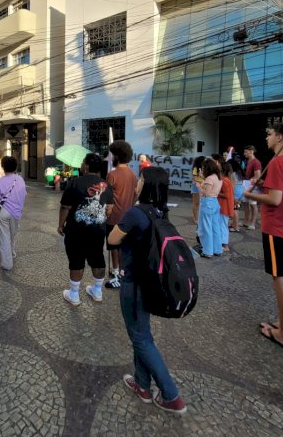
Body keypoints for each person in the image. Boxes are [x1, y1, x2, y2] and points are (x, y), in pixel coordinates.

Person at [107, 166, 188, 415]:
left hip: (134, 283)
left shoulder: (134, 213)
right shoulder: (161, 212)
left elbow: (111, 239)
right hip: (154, 283)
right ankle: (142, 385)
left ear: (148, 184)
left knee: (142, 339)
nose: (137, 182)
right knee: (140, 334)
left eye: (140, 179)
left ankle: (171, 395)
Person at [244, 121, 283, 351]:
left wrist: (250, 194)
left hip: (277, 229)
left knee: (281, 279)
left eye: (270, 134)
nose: (267, 138)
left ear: (280, 137)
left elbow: (276, 199)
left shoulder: (279, 163)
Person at [57, 153, 113, 306]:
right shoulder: (106, 184)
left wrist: (61, 225)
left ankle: (74, 294)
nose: (81, 165)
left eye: (83, 162)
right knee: (97, 258)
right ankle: (97, 291)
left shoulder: (75, 183)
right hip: (97, 230)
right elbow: (109, 208)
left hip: (76, 231)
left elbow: (65, 207)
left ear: (87, 166)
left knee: (76, 259)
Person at [105, 140, 138, 290]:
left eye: (112, 155)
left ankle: (115, 271)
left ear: (117, 155)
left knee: (113, 246)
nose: (110, 158)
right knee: (124, 246)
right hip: (128, 217)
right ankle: (123, 271)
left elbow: (109, 198)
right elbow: (136, 194)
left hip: (114, 217)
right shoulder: (132, 174)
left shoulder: (112, 174)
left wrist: (107, 214)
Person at [0, 156, 27, 271]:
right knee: (12, 235)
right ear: (15, 167)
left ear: (3, 167)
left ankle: (7, 264)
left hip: (3, 212)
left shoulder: (0, 181)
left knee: (4, 237)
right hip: (16, 213)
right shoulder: (20, 179)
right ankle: (11, 253)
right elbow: (23, 195)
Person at [195, 158, 223, 258]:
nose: (202, 169)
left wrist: (199, 186)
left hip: (207, 203)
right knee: (215, 227)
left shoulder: (209, 178)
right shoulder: (218, 177)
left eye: (203, 167)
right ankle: (217, 249)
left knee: (206, 228)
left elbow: (206, 193)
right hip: (215, 202)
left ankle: (207, 251)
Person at [242, 145, 261, 230]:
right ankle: (246, 222)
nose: (244, 154)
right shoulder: (249, 161)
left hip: (252, 185)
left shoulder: (256, 162)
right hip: (246, 183)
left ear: (251, 151)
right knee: (246, 203)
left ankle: (252, 223)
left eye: (246, 152)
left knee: (253, 204)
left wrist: (252, 186)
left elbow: (257, 176)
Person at [218, 161, 235, 252]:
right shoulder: (227, 179)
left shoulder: (225, 180)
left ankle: (225, 245)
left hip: (224, 206)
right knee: (223, 225)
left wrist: (216, 192)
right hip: (225, 206)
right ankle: (223, 244)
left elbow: (226, 195)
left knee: (222, 225)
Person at [229, 159, 244, 232]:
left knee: (235, 209)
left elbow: (233, 185)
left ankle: (236, 227)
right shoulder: (239, 173)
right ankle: (234, 224)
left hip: (236, 191)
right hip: (241, 190)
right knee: (237, 208)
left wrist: (231, 194)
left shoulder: (233, 173)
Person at [190, 156, 205, 225]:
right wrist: (202, 179)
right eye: (203, 160)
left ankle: (197, 217)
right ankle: (195, 218)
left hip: (201, 186)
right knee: (195, 203)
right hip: (196, 186)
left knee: (198, 203)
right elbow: (194, 178)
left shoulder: (203, 168)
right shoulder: (195, 168)